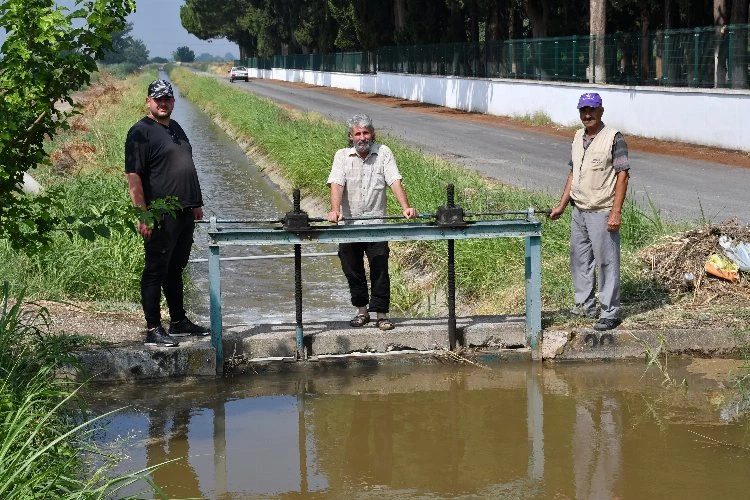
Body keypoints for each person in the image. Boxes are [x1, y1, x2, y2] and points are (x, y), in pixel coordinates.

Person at [125, 79, 210, 347]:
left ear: (173, 101)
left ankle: (178, 322)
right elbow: (134, 176)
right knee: (155, 270)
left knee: (176, 268)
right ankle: (153, 329)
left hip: (184, 211)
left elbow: (186, 165)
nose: (163, 103)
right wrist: (143, 214)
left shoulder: (176, 128)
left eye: (168, 99)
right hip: (160, 213)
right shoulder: (140, 132)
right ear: (148, 101)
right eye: (158, 99)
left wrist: (195, 202)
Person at [327, 113, 417, 331]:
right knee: (352, 269)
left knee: (379, 267)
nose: (362, 137)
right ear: (351, 136)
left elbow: (395, 180)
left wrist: (406, 207)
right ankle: (362, 312)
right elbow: (337, 184)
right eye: (357, 133)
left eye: (366, 133)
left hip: (377, 223)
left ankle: (382, 315)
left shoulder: (383, 153)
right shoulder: (341, 156)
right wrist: (334, 211)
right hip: (349, 226)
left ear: (372, 134)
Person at [549, 92, 630, 331]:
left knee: (606, 262)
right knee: (580, 260)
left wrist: (616, 212)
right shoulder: (577, 137)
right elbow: (573, 173)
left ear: (601, 111)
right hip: (579, 211)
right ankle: (584, 305)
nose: (587, 115)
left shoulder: (614, 138)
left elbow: (623, 175)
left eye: (592, 110)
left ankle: (610, 312)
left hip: (602, 211)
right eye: (583, 110)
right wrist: (562, 205)